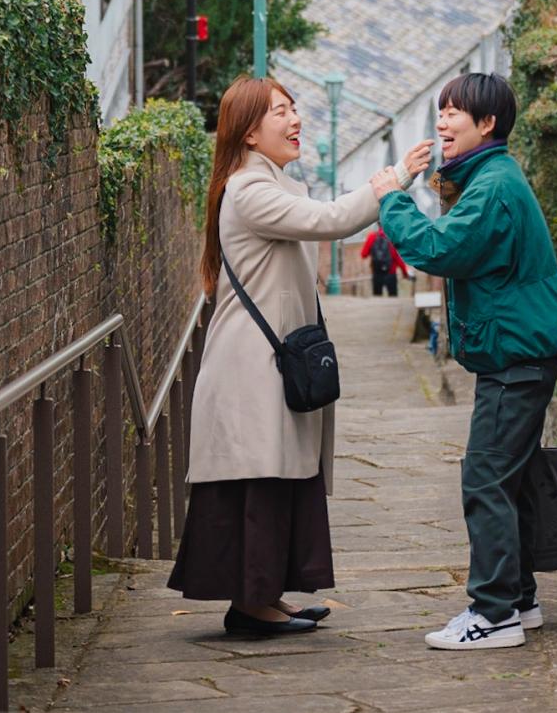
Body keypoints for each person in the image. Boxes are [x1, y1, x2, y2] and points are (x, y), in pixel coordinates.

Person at [171, 76, 431, 636]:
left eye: (294, 110)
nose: (295, 121)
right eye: (280, 113)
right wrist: (392, 181)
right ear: (247, 133)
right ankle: (251, 605)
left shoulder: (272, 182)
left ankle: (266, 597)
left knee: (282, 476)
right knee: (260, 480)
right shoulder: (249, 189)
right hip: (251, 369)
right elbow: (330, 221)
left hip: (268, 362)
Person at [369, 73, 557, 651]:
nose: (442, 121)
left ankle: (493, 615)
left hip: (515, 358)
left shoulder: (493, 187)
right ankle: (519, 600)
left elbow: (441, 249)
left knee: (485, 478)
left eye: (454, 112)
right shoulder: (490, 178)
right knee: (509, 479)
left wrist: (392, 197)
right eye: (440, 110)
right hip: (518, 354)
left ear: (488, 124)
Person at [360, 225, 410, 296]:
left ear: (378, 225)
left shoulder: (372, 237)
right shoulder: (392, 238)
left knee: (377, 298)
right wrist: (405, 273)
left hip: (377, 272)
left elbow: (363, 254)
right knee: (393, 298)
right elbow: (398, 259)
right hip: (391, 273)